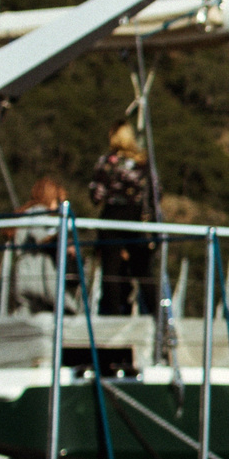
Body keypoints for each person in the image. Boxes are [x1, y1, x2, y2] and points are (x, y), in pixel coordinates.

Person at [88, 122, 155, 316]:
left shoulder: (108, 162)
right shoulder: (144, 163)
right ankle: (156, 315)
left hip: (112, 216)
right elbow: (155, 193)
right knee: (143, 270)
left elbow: (96, 195)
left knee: (111, 269)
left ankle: (112, 315)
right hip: (136, 218)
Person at [4, 179, 78, 315]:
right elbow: (39, 235)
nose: (58, 206)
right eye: (58, 201)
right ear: (51, 197)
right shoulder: (40, 211)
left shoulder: (26, 212)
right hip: (39, 272)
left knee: (26, 312)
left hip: (22, 272)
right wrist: (63, 241)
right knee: (66, 306)